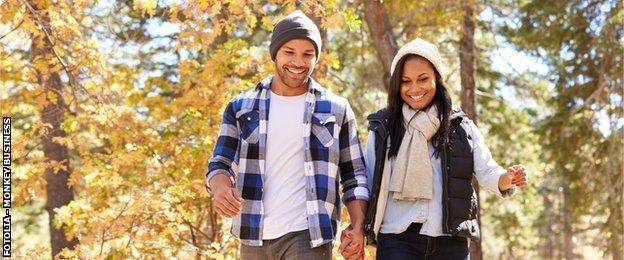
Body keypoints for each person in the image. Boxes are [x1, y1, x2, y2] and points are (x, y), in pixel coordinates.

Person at [339, 38, 528, 260]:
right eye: (405, 81)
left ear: (437, 79)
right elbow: (369, 184)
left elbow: (487, 171)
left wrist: (508, 178)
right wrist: (358, 229)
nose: (414, 88)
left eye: (423, 79)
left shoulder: (459, 125)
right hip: (398, 241)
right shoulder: (384, 127)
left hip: (450, 242)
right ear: (396, 85)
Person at [206, 10, 369, 260]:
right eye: (289, 52)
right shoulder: (241, 107)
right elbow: (220, 162)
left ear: (316, 58)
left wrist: (358, 226)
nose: (298, 62)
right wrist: (220, 189)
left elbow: (354, 176)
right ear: (275, 53)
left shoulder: (336, 109)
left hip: (308, 235)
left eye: (308, 54)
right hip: (253, 233)